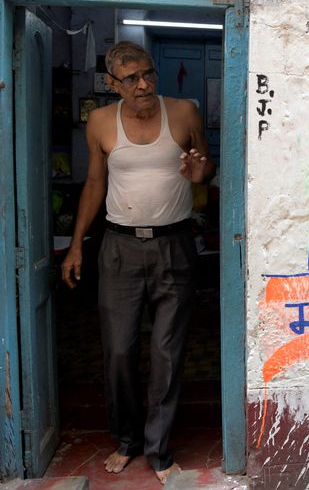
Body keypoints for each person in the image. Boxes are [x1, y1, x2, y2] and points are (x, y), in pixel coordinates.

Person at [61, 41, 215, 484]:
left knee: (168, 351)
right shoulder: (100, 122)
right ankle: (127, 439)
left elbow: (207, 168)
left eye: (148, 74)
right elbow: (94, 183)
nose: (144, 84)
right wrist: (76, 246)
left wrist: (198, 172)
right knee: (120, 349)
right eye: (131, 78)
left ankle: (158, 448)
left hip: (175, 245)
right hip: (119, 248)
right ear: (113, 84)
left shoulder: (184, 111)